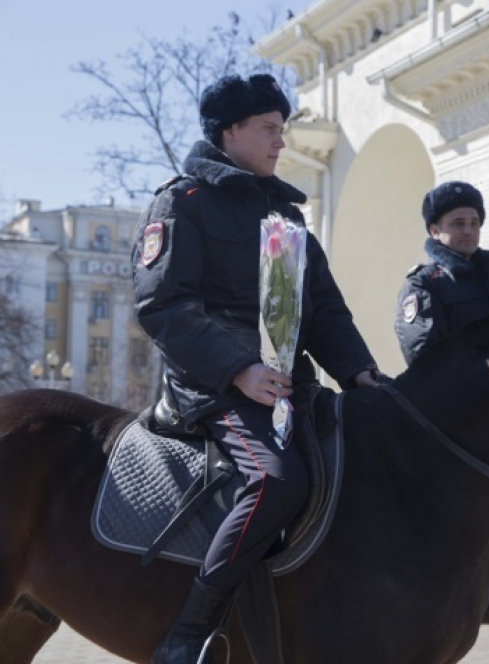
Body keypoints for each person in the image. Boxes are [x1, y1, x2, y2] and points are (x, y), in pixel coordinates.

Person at [132, 73, 380, 664]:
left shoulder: (287, 214)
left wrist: (362, 374)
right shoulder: (181, 202)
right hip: (215, 388)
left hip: (289, 385)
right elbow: (162, 305)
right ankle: (188, 632)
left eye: (282, 129)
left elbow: (325, 311)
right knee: (278, 479)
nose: (280, 142)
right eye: (269, 129)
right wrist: (239, 370)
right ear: (231, 131)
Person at [395, 181, 489, 365]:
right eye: (458, 223)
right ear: (434, 231)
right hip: (462, 390)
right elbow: (426, 358)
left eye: (474, 223)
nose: (468, 231)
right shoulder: (423, 284)